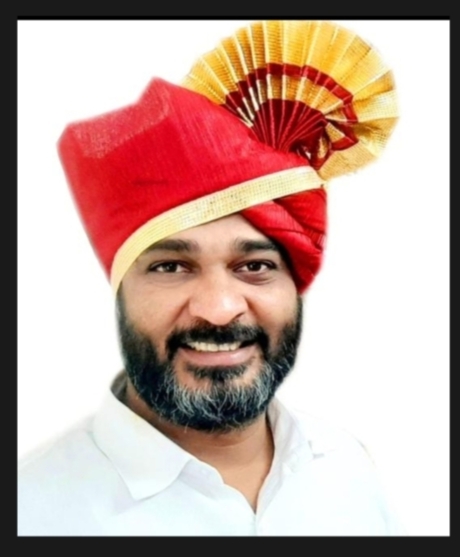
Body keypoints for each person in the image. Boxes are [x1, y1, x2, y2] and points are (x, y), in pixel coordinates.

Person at [17, 19, 405, 536]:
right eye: (171, 267)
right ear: (119, 291)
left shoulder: (346, 467)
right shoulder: (31, 512)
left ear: (296, 288)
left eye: (255, 267)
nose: (220, 309)